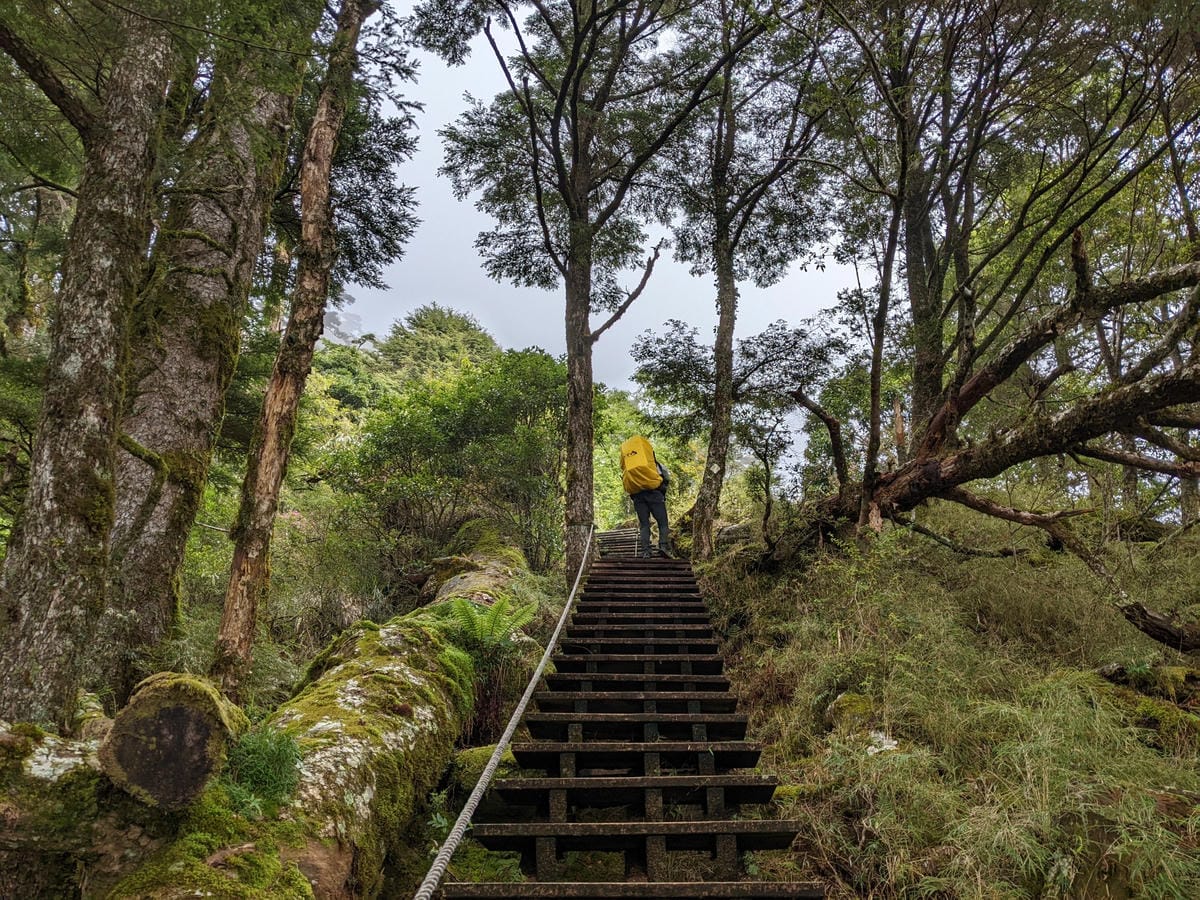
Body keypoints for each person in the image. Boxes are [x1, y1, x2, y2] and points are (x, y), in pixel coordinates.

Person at [619, 435, 672, 558]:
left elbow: (622, 469)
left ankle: (646, 552)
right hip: (655, 494)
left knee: (644, 524)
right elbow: (666, 477)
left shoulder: (629, 464)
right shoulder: (654, 465)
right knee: (663, 523)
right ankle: (663, 546)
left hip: (638, 497)